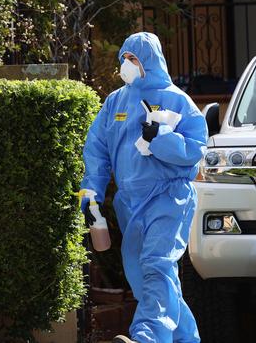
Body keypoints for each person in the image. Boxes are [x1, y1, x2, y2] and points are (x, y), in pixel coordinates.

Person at [80, 32, 207, 343]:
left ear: (150, 60)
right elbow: (96, 151)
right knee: (144, 277)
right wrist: (91, 195)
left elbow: (195, 152)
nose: (127, 64)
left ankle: (148, 337)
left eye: (133, 59)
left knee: (156, 264)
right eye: (124, 58)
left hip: (169, 197)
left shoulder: (178, 100)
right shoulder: (115, 102)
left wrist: (161, 138)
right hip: (130, 203)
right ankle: (184, 339)